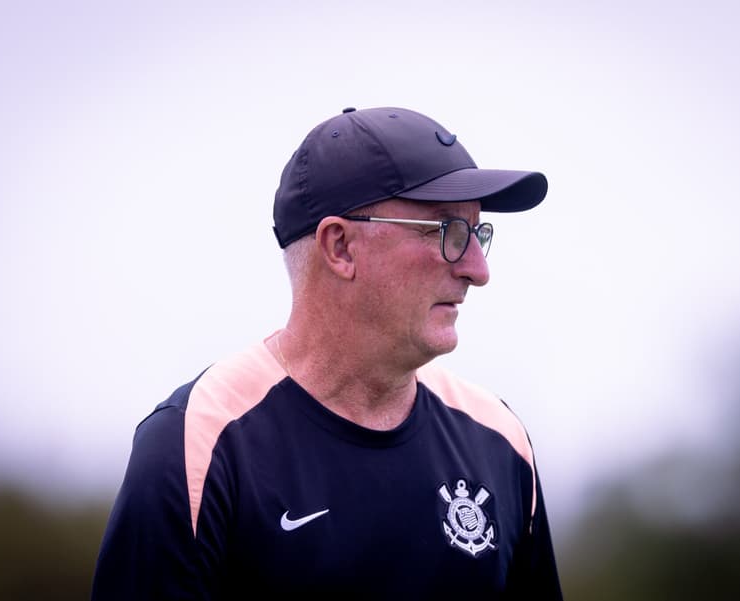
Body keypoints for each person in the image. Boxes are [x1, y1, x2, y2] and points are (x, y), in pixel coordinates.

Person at [91, 106, 564, 599]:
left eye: (478, 233)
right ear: (339, 247)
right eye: (448, 231)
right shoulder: (197, 443)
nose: (477, 269)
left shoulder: (499, 441)